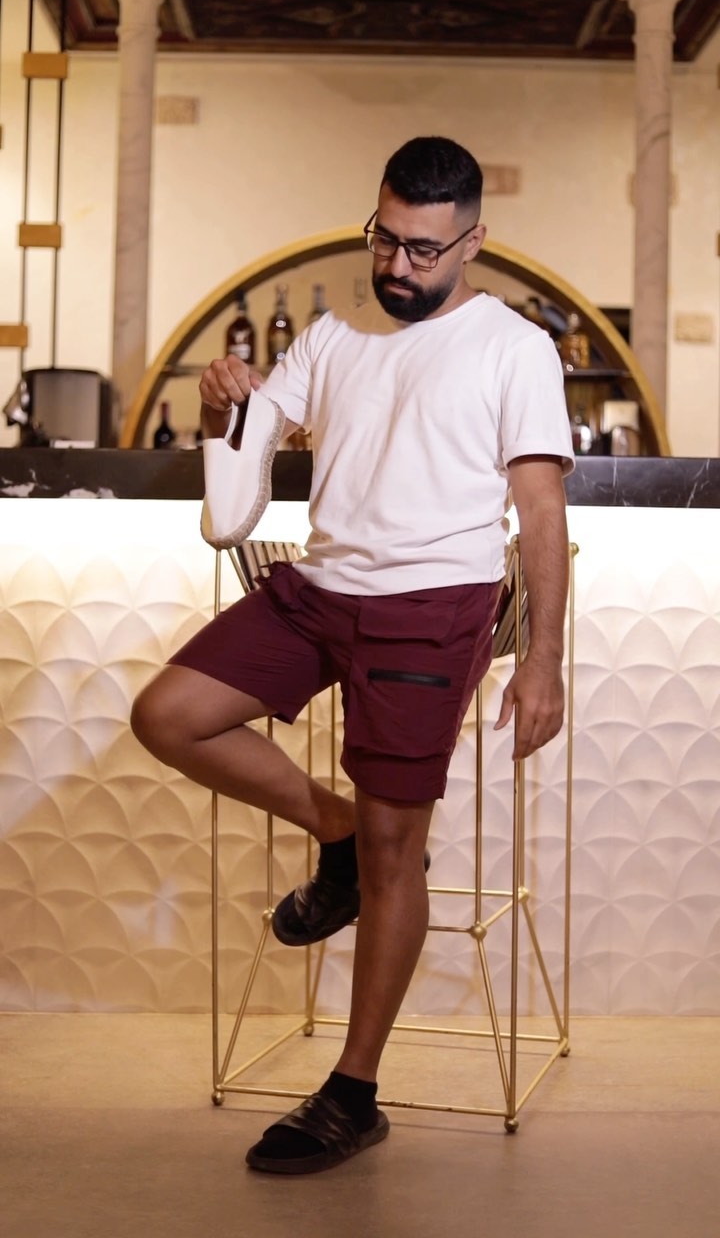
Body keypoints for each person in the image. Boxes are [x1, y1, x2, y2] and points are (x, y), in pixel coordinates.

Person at [131, 135, 574, 1175]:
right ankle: (332, 829)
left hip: (434, 605)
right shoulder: (332, 337)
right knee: (168, 714)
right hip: (322, 587)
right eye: (386, 239)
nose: (398, 265)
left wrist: (545, 658)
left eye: (423, 250)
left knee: (394, 843)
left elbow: (542, 510)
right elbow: (236, 478)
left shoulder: (513, 349)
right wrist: (220, 403)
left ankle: (351, 1092)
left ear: (472, 241)